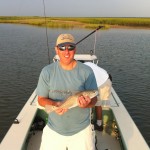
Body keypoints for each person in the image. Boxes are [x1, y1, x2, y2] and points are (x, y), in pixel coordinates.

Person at [36, 34, 98, 150]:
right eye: (62, 47)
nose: (66, 51)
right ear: (56, 49)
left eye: (70, 47)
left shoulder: (87, 71)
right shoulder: (47, 71)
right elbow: (41, 99)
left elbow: (94, 99)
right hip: (53, 129)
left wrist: (87, 104)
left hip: (81, 131)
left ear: (75, 49)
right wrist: (55, 105)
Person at [84, 62, 112, 131]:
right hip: (107, 79)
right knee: (101, 104)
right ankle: (99, 123)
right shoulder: (89, 63)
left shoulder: (82, 70)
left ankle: (97, 124)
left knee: (95, 102)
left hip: (100, 84)